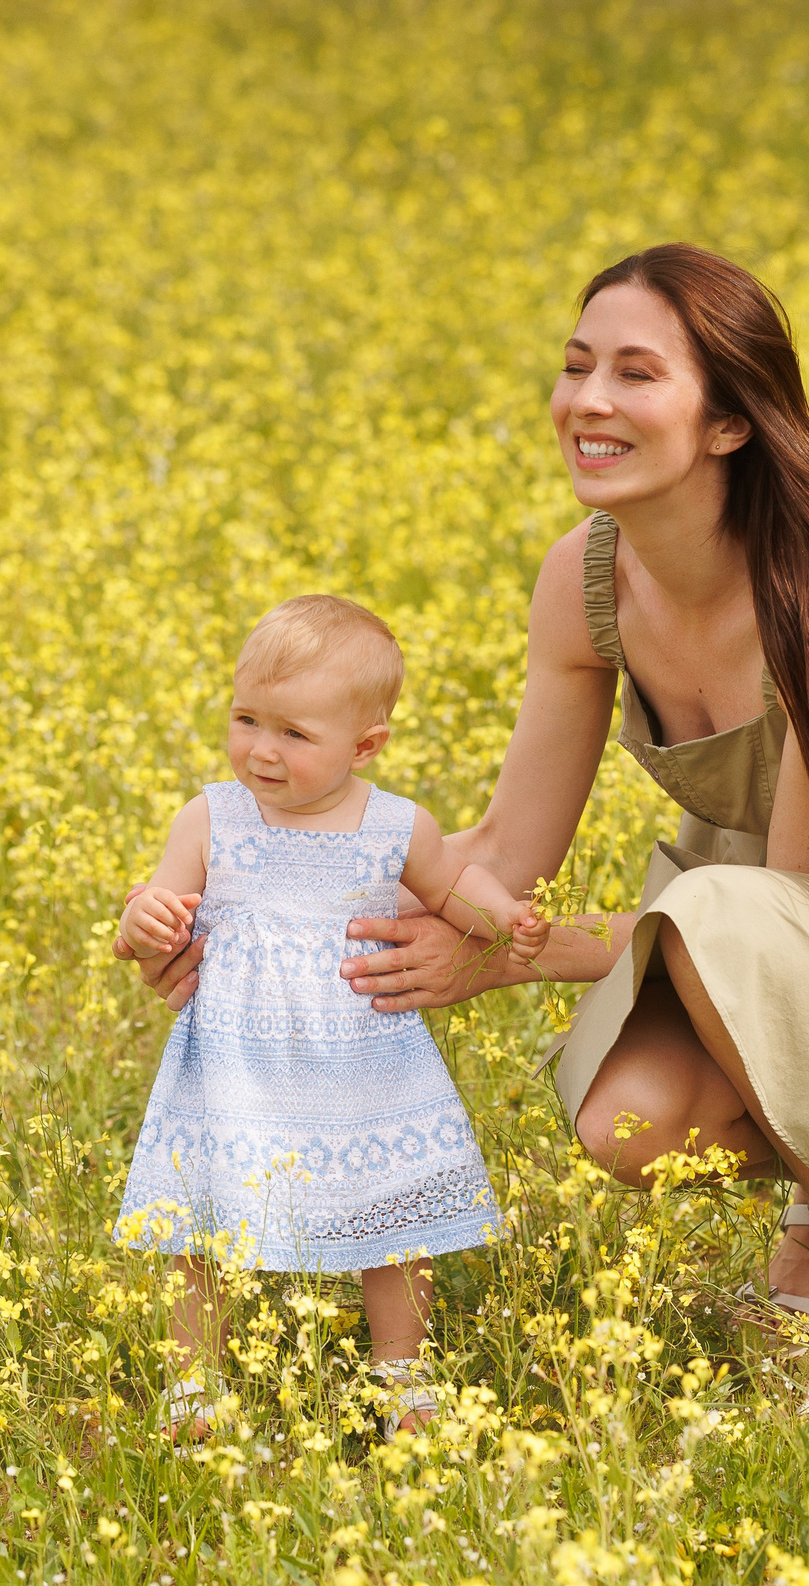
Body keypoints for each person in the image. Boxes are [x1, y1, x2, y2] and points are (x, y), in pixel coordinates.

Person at [131, 244, 809, 1441]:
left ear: (730, 422)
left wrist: (508, 954)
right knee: (629, 1122)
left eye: (636, 374)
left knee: (731, 912)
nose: (588, 401)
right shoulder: (586, 579)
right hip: (767, 944)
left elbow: (795, 911)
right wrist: (258, 915)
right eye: (576, 365)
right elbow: (506, 852)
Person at [111, 594, 546, 1442]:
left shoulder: (395, 824)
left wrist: (505, 918)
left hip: (362, 1065)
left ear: (365, 745)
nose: (261, 750)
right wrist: (142, 919)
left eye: (294, 733)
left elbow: (453, 886)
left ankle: (402, 1374)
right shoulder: (210, 817)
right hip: (236, 1068)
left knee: (392, 1217)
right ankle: (194, 1382)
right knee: (201, 1223)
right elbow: (154, 909)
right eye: (246, 719)